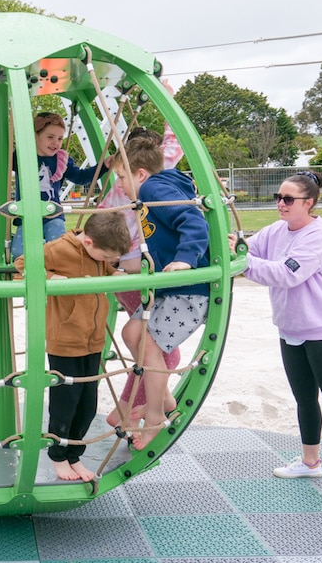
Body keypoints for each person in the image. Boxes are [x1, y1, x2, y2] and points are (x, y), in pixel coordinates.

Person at [238, 170, 322, 505]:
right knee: (305, 400)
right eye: (278, 197)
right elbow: (246, 248)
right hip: (291, 328)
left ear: (309, 203)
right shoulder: (276, 230)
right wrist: (232, 247)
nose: (281, 203)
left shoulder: (321, 236)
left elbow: (285, 275)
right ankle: (310, 462)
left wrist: (242, 263)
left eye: (288, 199)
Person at [14, 211, 131, 481]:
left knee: (88, 405)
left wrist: (118, 273)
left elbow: (109, 269)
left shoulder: (97, 252)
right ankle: (57, 457)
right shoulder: (58, 250)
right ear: (88, 243)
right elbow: (22, 263)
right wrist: (53, 280)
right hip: (65, 341)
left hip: (93, 340)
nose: (106, 262)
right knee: (65, 404)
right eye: (104, 256)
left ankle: (74, 455)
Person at [113, 136, 210, 450]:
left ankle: (154, 417)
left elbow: (192, 220)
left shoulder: (154, 189)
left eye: (122, 177)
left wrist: (185, 259)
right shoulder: (151, 193)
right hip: (168, 288)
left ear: (140, 174)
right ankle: (165, 399)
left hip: (187, 290)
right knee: (131, 333)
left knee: (151, 346)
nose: (120, 185)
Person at [101, 123, 184, 427]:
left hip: (123, 276)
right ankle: (130, 411)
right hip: (141, 273)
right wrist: (168, 100)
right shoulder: (149, 180)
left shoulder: (115, 190)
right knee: (162, 352)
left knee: (147, 345)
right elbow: (177, 145)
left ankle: (145, 406)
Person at [10, 112, 110, 259]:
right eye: (50, 137)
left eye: (59, 138)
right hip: (28, 215)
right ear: (35, 136)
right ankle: (41, 255)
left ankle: (53, 273)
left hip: (53, 214)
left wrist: (103, 167)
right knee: (19, 253)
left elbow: (81, 177)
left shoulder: (61, 159)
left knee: (59, 250)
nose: (55, 143)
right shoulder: (21, 156)